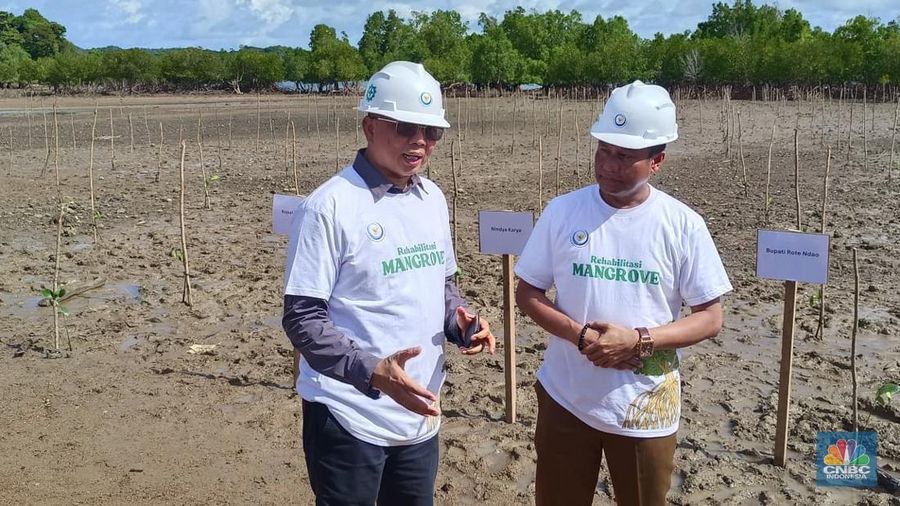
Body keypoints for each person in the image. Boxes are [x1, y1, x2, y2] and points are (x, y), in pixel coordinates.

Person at [281, 61, 495, 506]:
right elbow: (302, 319)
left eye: (431, 132)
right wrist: (373, 372)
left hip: (419, 412)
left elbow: (443, 283)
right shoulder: (329, 207)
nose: (419, 141)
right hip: (348, 414)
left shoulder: (431, 198)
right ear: (370, 126)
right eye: (404, 128)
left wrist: (461, 321)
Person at [514, 80, 733, 506]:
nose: (609, 165)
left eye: (625, 156)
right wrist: (580, 336)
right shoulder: (563, 210)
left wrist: (639, 340)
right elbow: (528, 293)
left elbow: (710, 317)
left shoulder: (682, 224)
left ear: (657, 161)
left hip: (644, 408)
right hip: (566, 398)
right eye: (604, 151)